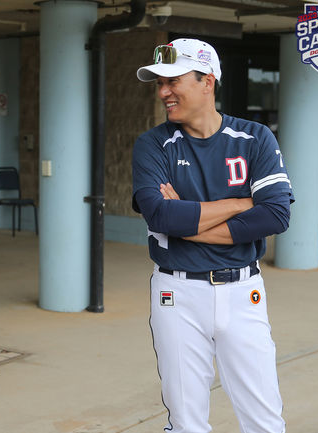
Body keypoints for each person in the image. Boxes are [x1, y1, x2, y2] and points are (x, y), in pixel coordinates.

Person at [132, 38, 293, 433]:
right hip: (177, 294)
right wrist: (241, 203)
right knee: (186, 423)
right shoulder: (153, 144)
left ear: (208, 80)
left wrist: (185, 223)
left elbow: (274, 214)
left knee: (265, 420)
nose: (164, 91)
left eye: (173, 80)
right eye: (159, 83)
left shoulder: (255, 137)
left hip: (244, 292)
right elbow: (159, 213)